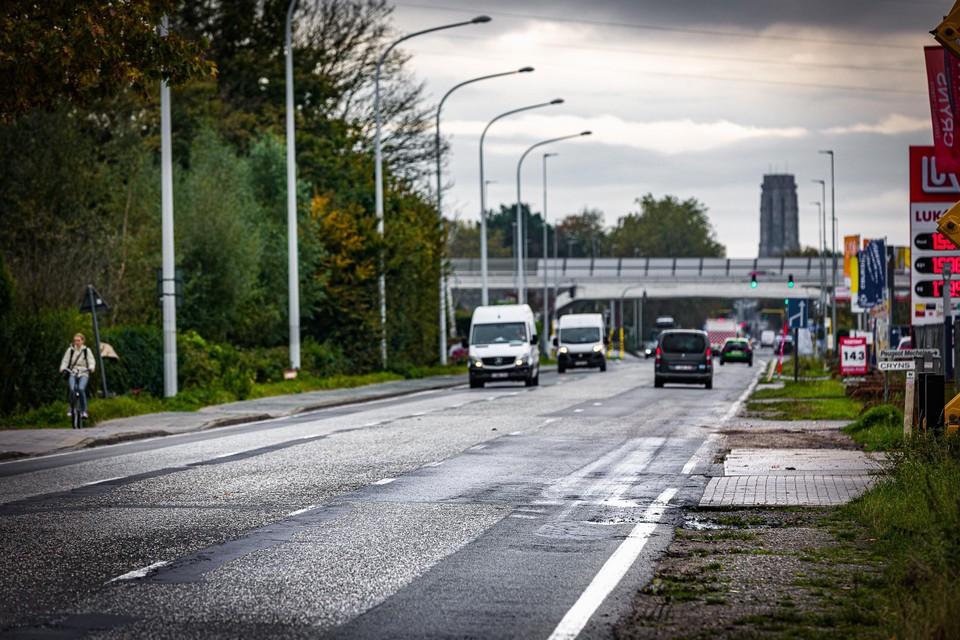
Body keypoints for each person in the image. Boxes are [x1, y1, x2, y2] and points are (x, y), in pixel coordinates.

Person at [59, 333, 95, 418]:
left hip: (84, 372)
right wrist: (62, 368)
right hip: (73, 372)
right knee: (72, 389)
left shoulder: (86, 350)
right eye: (75, 341)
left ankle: (84, 411)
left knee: (81, 388)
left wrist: (91, 367)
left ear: (82, 341)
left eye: (78, 340)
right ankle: (71, 409)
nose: (77, 342)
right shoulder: (70, 350)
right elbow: (65, 361)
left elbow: (91, 361)